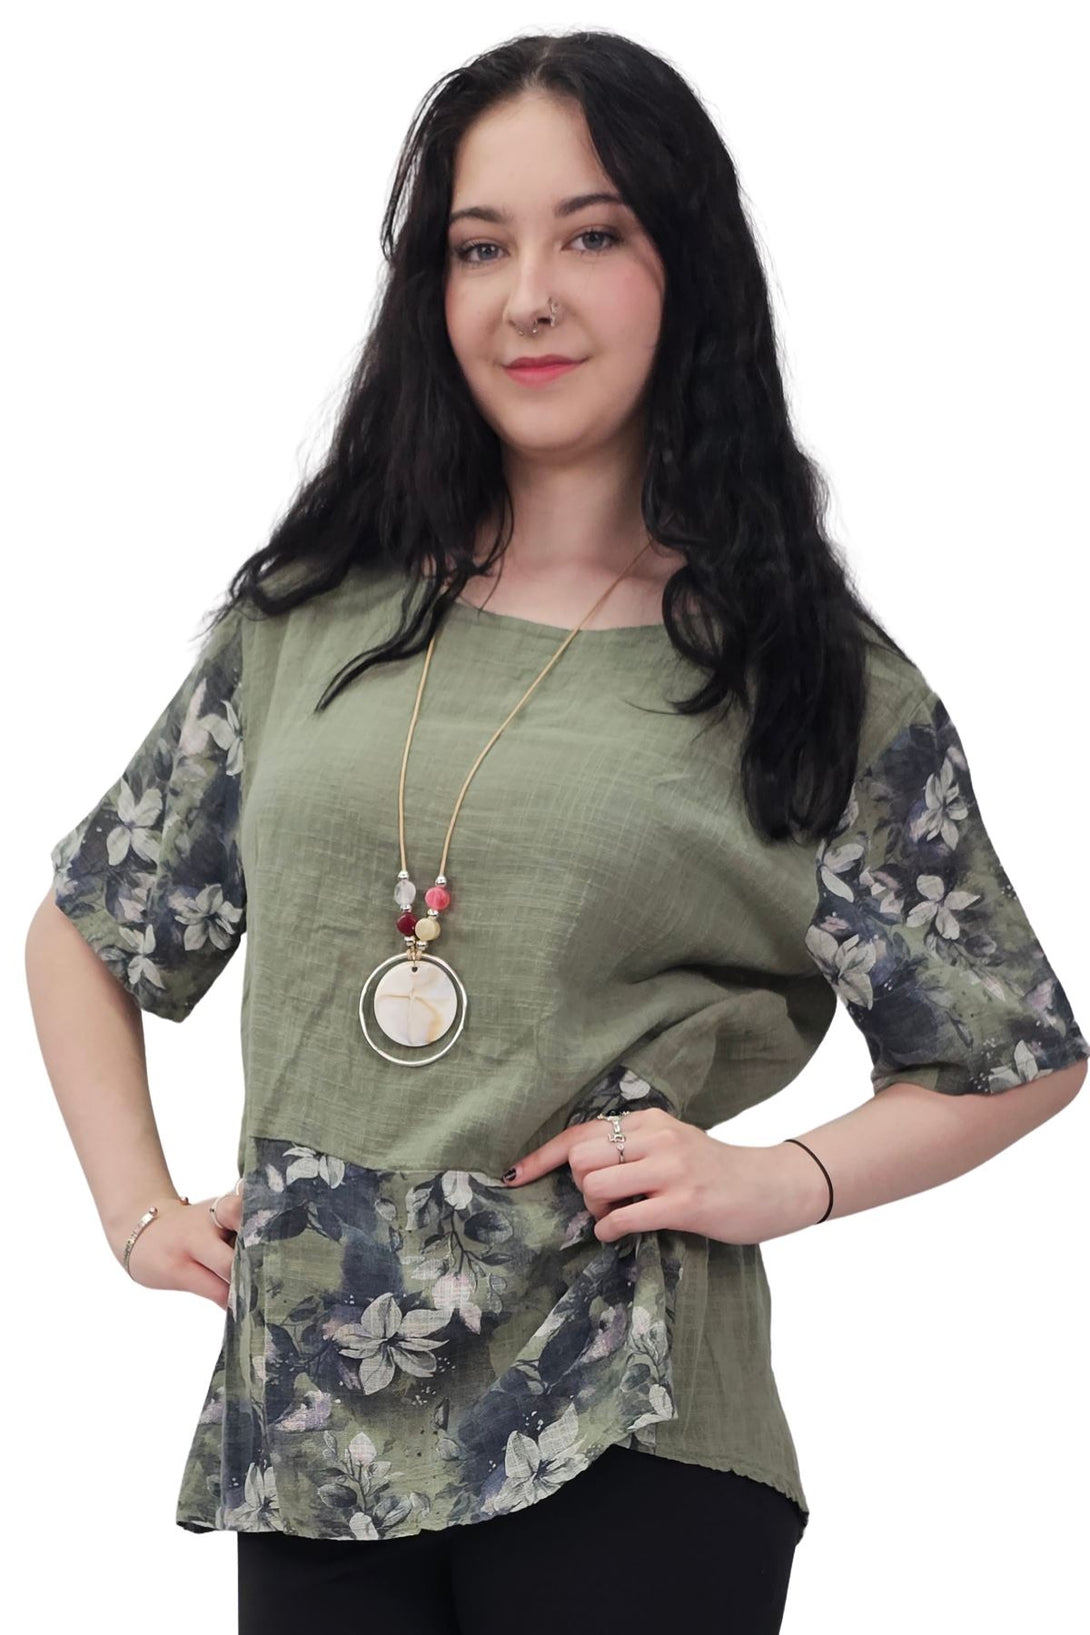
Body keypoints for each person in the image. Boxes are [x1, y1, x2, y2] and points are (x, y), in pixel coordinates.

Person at [26, 29, 1087, 1635]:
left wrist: (778, 1180)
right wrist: (139, 1213)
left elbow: (1008, 1048)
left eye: (591, 236)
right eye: (479, 247)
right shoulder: (308, 619)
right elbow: (90, 926)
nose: (527, 295)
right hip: (316, 1424)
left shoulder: (802, 677)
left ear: (687, 271)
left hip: (631, 1409)